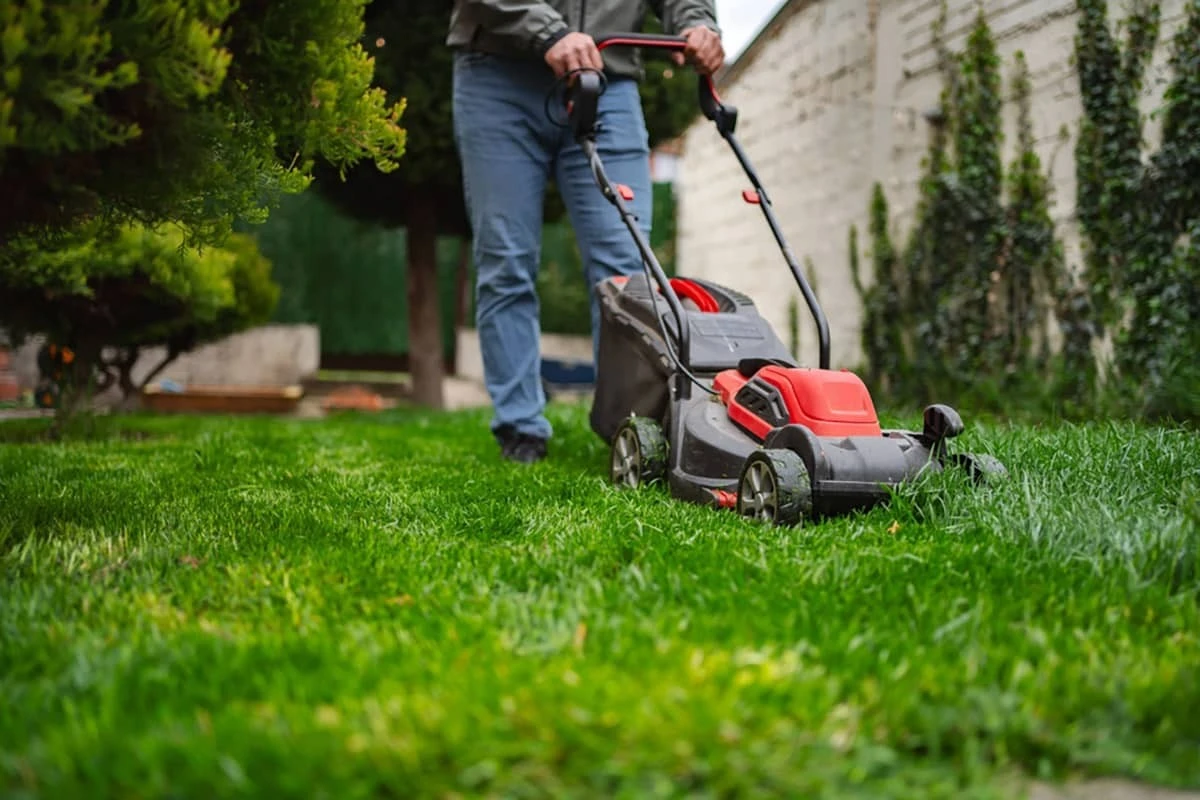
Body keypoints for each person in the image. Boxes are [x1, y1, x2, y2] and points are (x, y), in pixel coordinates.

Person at [448, 1, 724, 464]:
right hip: (499, 72)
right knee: (506, 259)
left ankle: (630, 428)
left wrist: (696, 22)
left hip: (608, 79)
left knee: (627, 273)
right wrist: (548, 32)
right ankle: (520, 428)